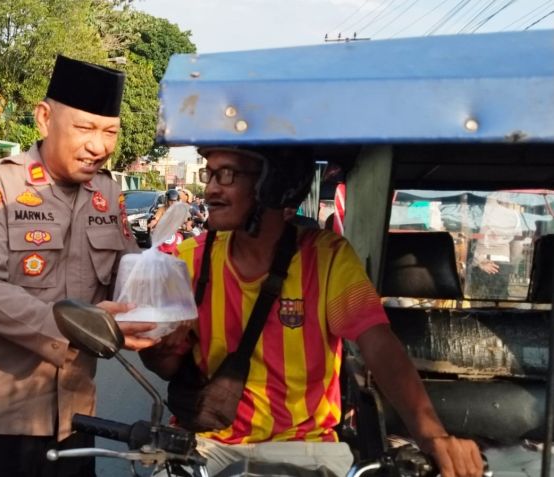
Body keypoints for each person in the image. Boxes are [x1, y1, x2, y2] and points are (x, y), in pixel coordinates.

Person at [140, 145, 483, 477]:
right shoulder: (187, 259)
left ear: (273, 183)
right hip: (206, 445)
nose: (210, 188)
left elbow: (378, 343)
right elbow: (168, 366)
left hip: (305, 448)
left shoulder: (326, 257)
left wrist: (431, 436)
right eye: (209, 174)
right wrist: (158, 349)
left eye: (226, 175)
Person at [0, 55, 157, 477]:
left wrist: (160, 288)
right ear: (45, 119)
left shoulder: (107, 192)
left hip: (77, 418)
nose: (99, 145)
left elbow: (124, 271)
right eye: (85, 128)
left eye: (110, 132)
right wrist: (87, 325)